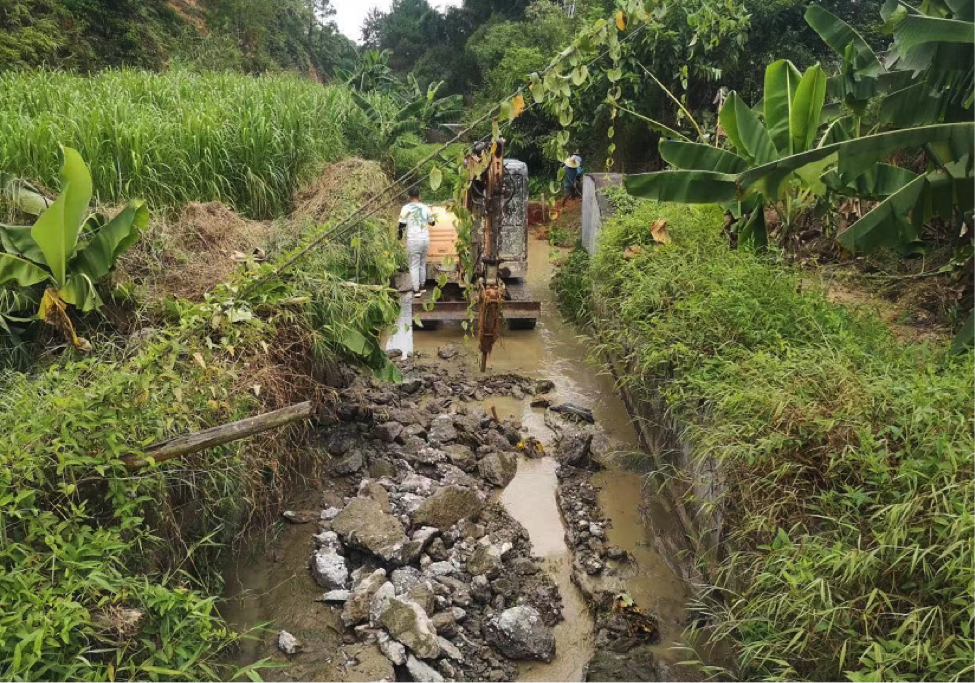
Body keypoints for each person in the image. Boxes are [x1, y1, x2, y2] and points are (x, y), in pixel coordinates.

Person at [398, 188, 436, 298]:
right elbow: (432, 223)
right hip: (425, 239)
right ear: (419, 196)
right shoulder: (426, 208)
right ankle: (423, 286)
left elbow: (401, 225)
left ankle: (416, 289)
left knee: (414, 265)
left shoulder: (406, 208)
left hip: (413, 240)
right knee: (422, 263)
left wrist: (399, 237)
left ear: (409, 197)